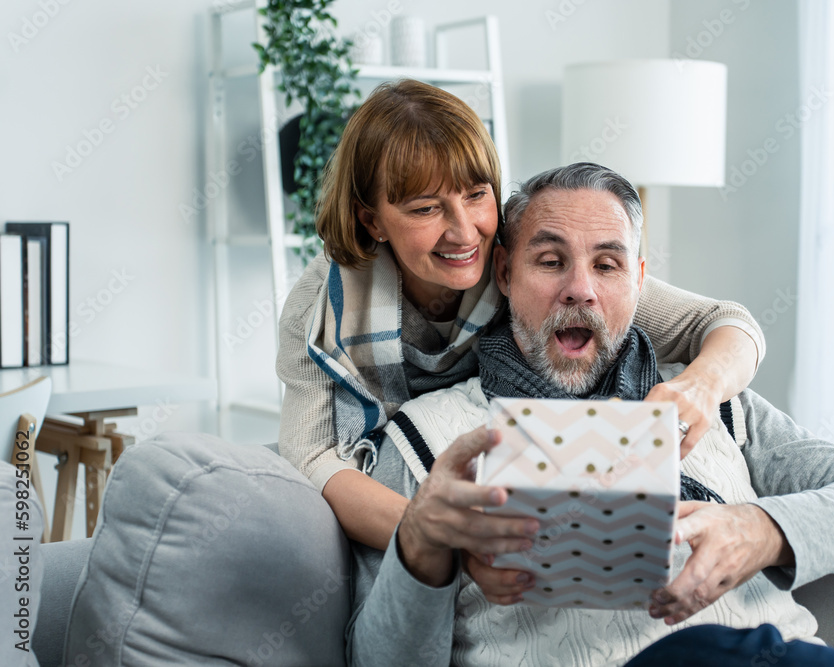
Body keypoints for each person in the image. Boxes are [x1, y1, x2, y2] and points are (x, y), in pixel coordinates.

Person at [344, 163, 834, 666]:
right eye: (550, 261)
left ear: (640, 280)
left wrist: (763, 530)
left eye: (607, 265)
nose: (580, 289)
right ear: (504, 274)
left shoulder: (711, 404)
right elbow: (372, 658)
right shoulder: (428, 438)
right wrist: (419, 544)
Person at [276, 80, 767, 556]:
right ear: (372, 220)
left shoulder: (528, 258)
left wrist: (702, 385)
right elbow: (314, 460)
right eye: (426, 208)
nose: (465, 232)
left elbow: (729, 324)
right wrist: (444, 541)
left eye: (475, 195)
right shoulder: (321, 309)